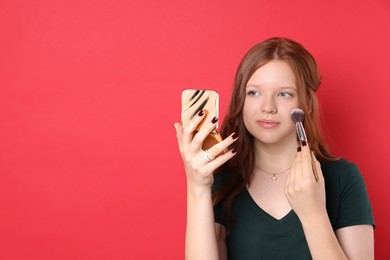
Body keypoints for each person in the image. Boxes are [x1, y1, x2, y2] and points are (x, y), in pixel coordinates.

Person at [174, 37, 375, 260]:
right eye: (254, 93)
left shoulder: (342, 178)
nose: (267, 107)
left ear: (305, 103)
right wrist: (197, 187)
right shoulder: (221, 179)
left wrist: (313, 212)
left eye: (284, 94)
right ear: (241, 99)